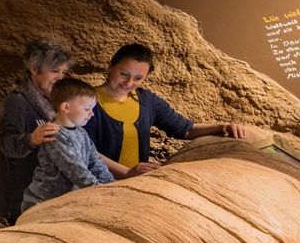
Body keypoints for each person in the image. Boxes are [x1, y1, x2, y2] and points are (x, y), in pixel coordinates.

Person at [87, 43, 252, 178]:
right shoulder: (86, 101)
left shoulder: (148, 100)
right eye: (124, 74)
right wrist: (127, 172)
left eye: (138, 78)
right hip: (97, 183)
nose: (129, 83)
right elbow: (87, 151)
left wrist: (223, 127)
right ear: (110, 67)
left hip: (136, 182)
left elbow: (185, 129)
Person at [0, 38, 74, 224]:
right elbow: (7, 144)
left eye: (63, 72)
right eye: (55, 71)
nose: (60, 78)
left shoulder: (55, 104)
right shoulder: (17, 102)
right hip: (24, 199)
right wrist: (31, 139)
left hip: (49, 197)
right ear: (34, 69)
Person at [21, 78, 114, 212]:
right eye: (87, 108)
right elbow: (74, 168)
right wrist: (100, 191)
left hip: (65, 201)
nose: (92, 114)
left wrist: (112, 186)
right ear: (66, 107)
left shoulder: (81, 133)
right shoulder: (54, 134)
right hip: (42, 202)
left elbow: (95, 162)